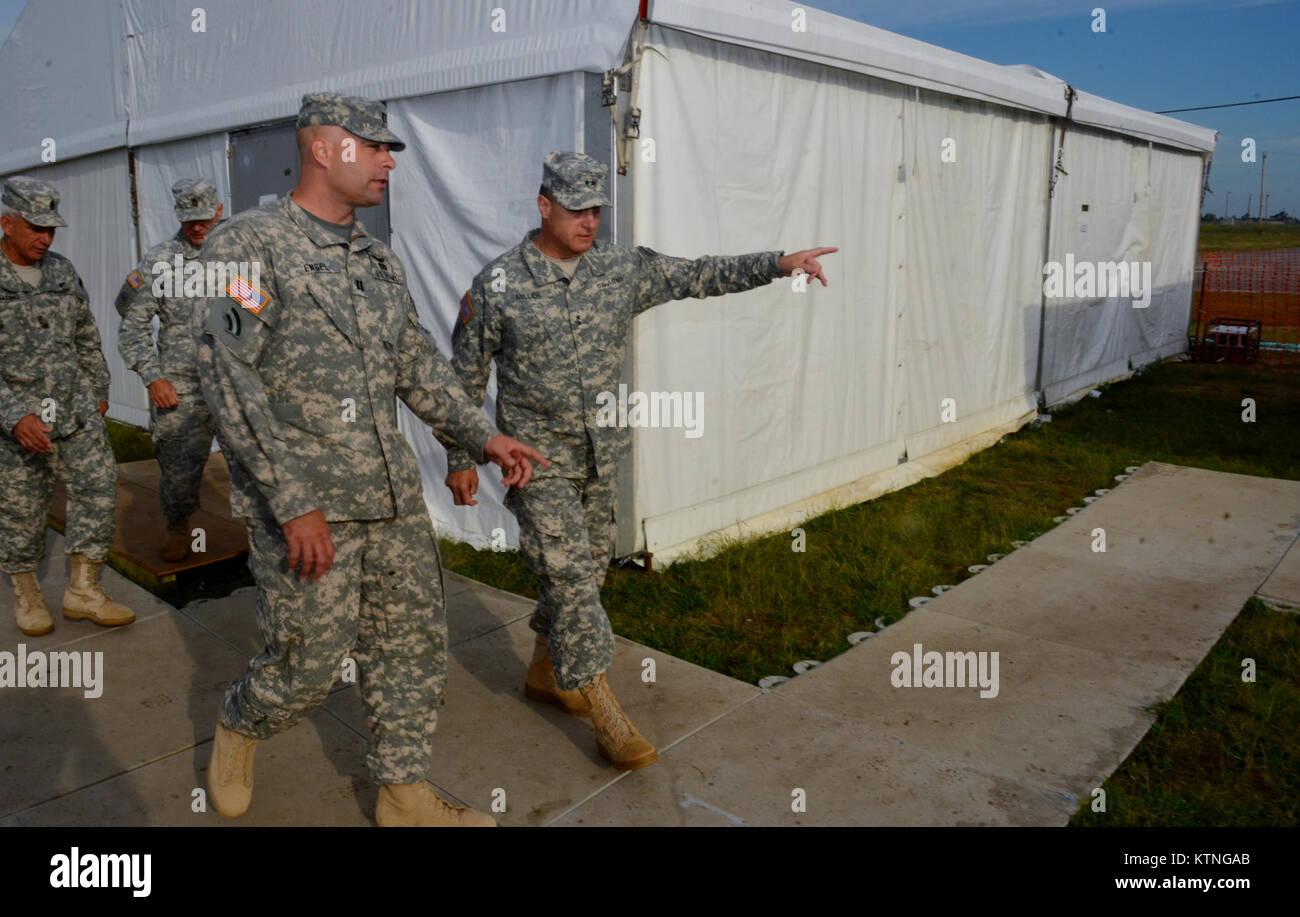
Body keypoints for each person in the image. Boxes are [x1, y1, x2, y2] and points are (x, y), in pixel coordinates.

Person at [195, 92, 548, 827]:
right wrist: (292, 502)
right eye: (376, 146)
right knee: (307, 667)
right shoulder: (246, 246)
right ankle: (241, 720)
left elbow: (417, 366)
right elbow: (231, 380)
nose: (390, 160)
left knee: (413, 646)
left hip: (388, 500)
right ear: (325, 149)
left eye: (391, 149)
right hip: (306, 507)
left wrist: (483, 437)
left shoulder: (376, 261)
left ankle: (403, 792)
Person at [443, 151, 836, 771]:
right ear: (544, 206)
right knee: (572, 580)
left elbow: (697, 274)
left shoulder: (621, 269)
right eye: (575, 209)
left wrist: (778, 263)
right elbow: (463, 375)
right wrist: (461, 455)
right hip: (535, 463)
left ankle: (546, 672)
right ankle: (605, 710)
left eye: (596, 209)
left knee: (587, 574)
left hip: (602, 457)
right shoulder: (498, 285)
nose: (588, 222)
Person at [0, 176, 135, 636]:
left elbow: (84, 334)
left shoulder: (61, 270)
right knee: (21, 508)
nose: (45, 239)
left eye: (51, 230)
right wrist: (14, 415)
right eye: (36, 228)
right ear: (7, 223)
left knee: (98, 486)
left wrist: (98, 389)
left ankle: (83, 590)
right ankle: (27, 593)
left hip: (75, 410)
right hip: (18, 421)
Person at [116, 178, 224, 562]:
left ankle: (264, 535)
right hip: (180, 386)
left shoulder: (236, 256)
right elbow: (132, 325)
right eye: (189, 219)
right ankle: (180, 530)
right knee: (179, 471)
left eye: (204, 218)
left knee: (254, 463)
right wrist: (153, 376)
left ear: (219, 211)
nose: (197, 227)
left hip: (232, 383)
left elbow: (257, 311)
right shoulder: (161, 261)